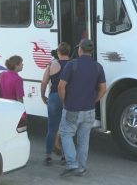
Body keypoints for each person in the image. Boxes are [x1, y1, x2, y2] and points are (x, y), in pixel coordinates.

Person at [58, 38, 107, 177]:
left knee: (66, 134)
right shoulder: (98, 66)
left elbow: (61, 86)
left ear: (80, 49)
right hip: (89, 110)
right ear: (91, 52)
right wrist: (93, 100)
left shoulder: (71, 65)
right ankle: (81, 168)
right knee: (84, 139)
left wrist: (64, 101)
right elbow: (103, 89)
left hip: (72, 108)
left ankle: (72, 163)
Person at [41, 42, 71, 166]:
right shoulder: (73, 65)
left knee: (52, 129)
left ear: (58, 52)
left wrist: (43, 95)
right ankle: (64, 156)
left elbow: (44, 82)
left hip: (53, 97)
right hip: (68, 99)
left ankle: (48, 157)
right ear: (68, 52)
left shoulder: (52, 65)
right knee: (66, 129)